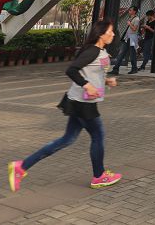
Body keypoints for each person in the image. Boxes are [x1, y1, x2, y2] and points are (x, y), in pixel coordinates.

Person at [8, 19, 122, 191]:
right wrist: (87, 85)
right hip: (84, 103)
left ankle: (21, 167)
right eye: (110, 31)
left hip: (79, 101)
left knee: (67, 139)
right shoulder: (92, 51)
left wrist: (106, 81)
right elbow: (71, 70)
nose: (113, 34)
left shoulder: (99, 51)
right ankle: (99, 176)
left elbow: (90, 73)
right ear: (100, 34)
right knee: (98, 136)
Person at [108, 7, 140, 75]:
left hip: (132, 38)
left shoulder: (136, 19)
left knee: (132, 54)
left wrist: (129, 24)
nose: (129, 11)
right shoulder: (131, 18)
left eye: (130, 10)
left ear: (134, 11)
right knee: (121, 53)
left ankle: (134, 68)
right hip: (127, 38)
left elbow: (134, 29)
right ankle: (115, 69)